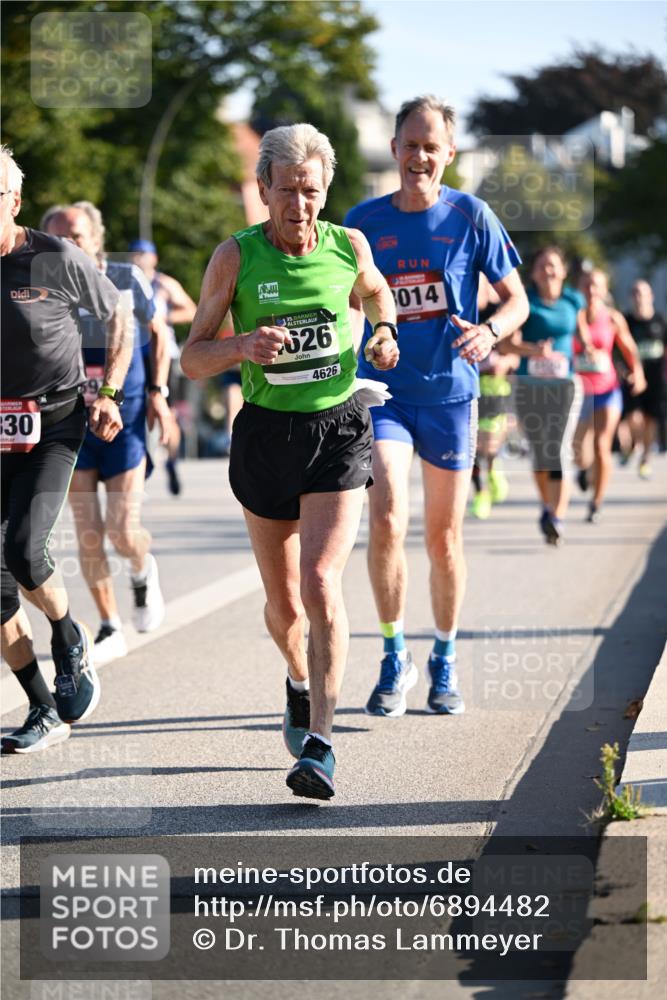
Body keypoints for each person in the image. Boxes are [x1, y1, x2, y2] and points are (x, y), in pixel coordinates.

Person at [181, 123, 399, 800]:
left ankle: (321, 745)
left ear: (324, 189)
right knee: (283, 608)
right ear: (262, 190)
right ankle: (298, 683)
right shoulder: (235, 258)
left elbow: (375, 292)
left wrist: (385, 330)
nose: (298, 206)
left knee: (320, 582)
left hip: (337, 427)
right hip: (266, 436)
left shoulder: (347, 245)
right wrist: (240, 346)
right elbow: (191, 357)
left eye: (309, 191)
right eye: (285, 191)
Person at [344, 95, 528, 717]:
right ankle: (395, 656)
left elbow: (516, 300)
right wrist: (365, 335)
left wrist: (491, 331)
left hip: (451, 395)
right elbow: (342, 303)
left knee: (444, 540)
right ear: (394, 149)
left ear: (449, 154)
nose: (420, 156)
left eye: (433, 146)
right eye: (410, 144)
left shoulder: (471, 216)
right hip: (386, 393)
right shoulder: (361, 222)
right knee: (388, 515)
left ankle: (444, 658)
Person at [1, 146, 131, 752]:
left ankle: (67, 632)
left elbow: (119, 314)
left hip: (53, 425)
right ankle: (42, 707)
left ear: (16, 202)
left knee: (26, 553)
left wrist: (109, 390)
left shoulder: (53, 257)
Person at [42, 203, 171, 667]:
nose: (68, 246)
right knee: (87, 531)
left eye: (76, 235)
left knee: (121, 527)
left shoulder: (126, 277)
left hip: (126, 415)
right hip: (71, 418)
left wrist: (158, 392)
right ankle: (109, 623)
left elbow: (157, 334)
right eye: (58, 238)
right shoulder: (44, 286)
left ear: (96, 237)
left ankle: (141, 568)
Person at [510, 246, 584, 546]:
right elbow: (507, 346)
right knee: (540, 451)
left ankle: (557, 518)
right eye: (541, 265)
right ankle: (547, 505)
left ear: (563, 271)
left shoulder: (573, 300)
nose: (548, 270)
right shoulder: (524, 301)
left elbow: (583, 332)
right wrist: (533, 351)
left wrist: (591, 348)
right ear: (534, 273)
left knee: (559, 447)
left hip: (565, 385)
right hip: (529, 384)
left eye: (553, 265)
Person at [573, 269, 646, 522]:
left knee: (601, 446)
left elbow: (628, 347)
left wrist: (637, 372)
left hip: (607, 389)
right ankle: (584, 470)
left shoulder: (613, 318)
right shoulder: (572, 316)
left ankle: (596, 503)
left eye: (596, 286)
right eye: (586, 285)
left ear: (604, 290)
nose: (591, 291)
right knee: (578, 450)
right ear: (579, 288)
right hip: (579, 393)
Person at [128, 238, 198, 494]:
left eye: (143, 254)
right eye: (134, 253)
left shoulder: (164, 284)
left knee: (165, 410)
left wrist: (161, 317)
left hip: (163, 355)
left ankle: (171, 461)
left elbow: (192, 310)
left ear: (154, 258)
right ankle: (140, 462)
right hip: (134, 354)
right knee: (138, 408)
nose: (138, 258)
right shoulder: (125, 282)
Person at [470, 275, 518, 519]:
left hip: (496, 386)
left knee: (488, 444)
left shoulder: (500, 312)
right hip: (469, 385)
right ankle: (481, 493)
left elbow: (515, 353)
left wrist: (503, 362)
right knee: (472, 446)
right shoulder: (461, 308)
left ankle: (494, 466)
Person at [619, 280, 667, 478]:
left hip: (656, 378)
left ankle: (645, 457)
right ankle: (633, 445)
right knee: (634, 418)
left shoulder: (660, 321)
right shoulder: (626, 321)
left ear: (651, 297)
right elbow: (617, 350)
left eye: (643, 293)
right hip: (632, 378)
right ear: (632, 297)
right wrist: (623, 370)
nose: (640, 298)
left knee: (651, 420)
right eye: (636, 293)